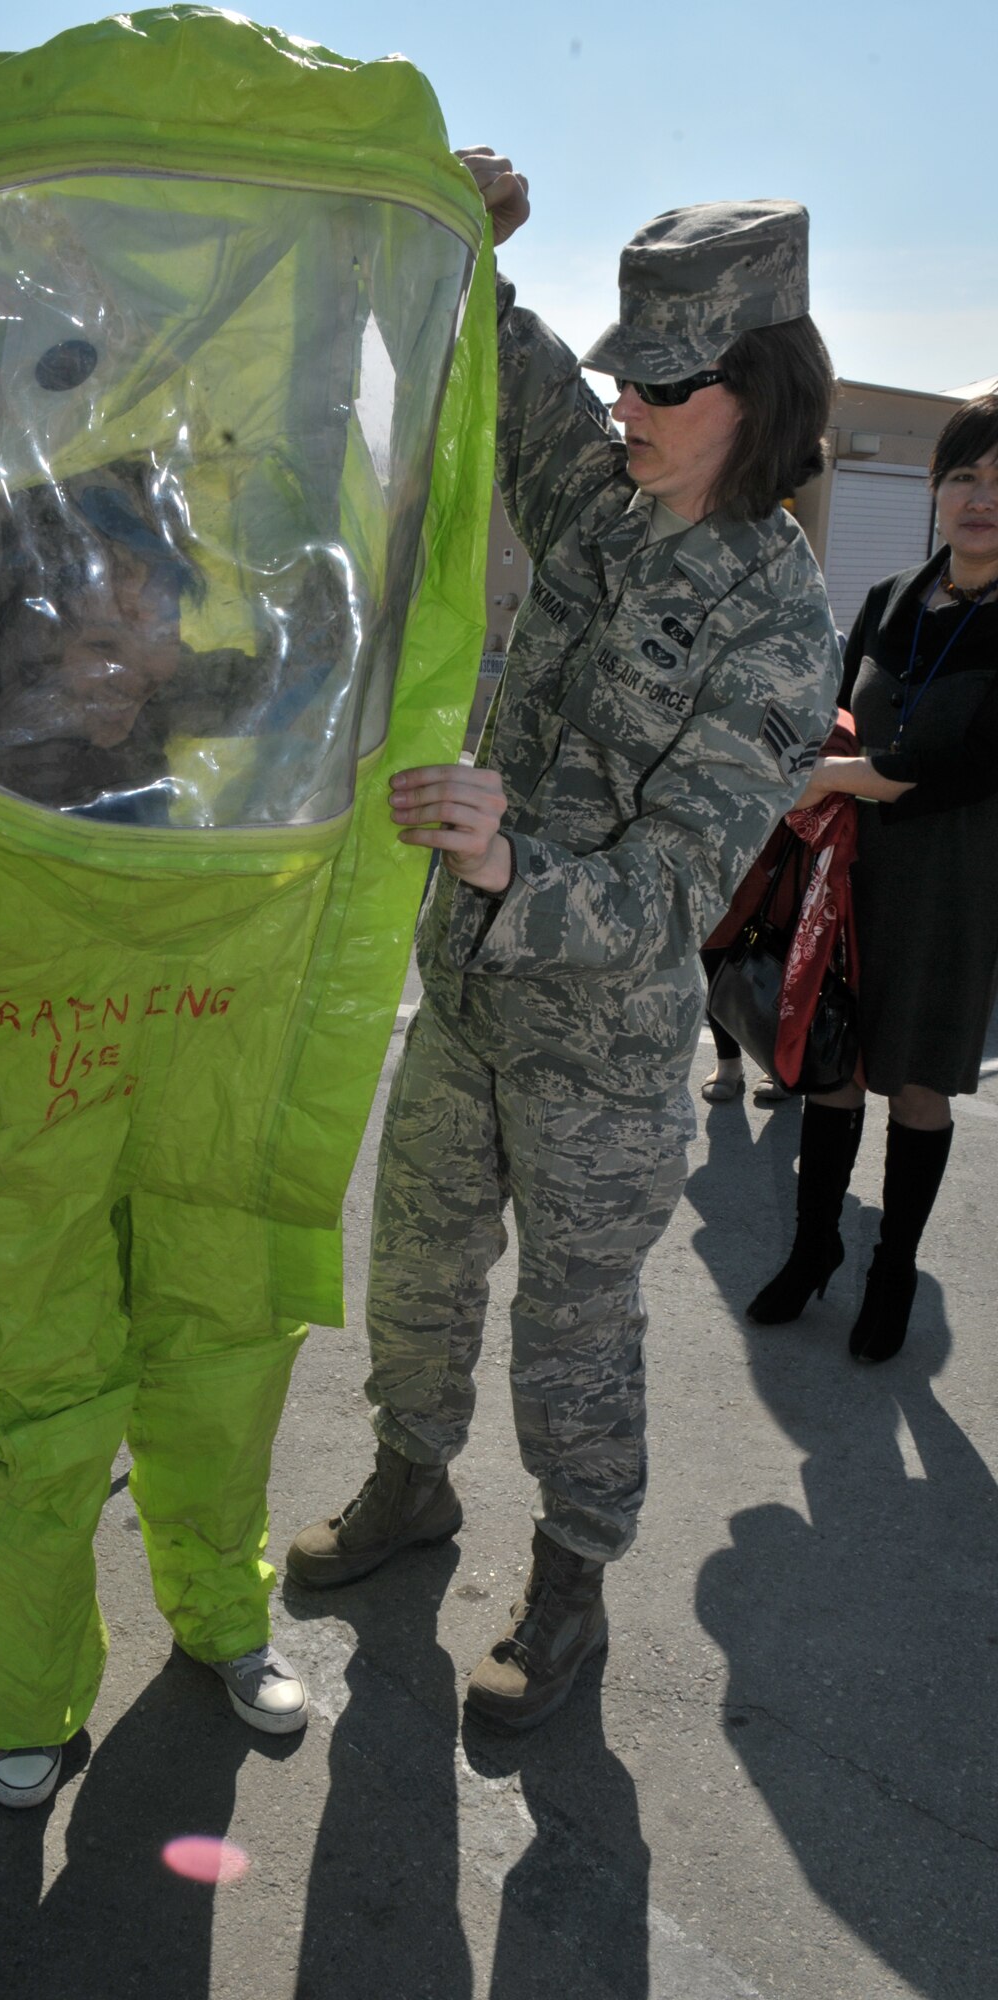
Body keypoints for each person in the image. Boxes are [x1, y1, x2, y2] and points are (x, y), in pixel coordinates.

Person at [0, 12, 497, 1808]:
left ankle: (222, 1616)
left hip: (194, 1061)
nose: (130, 653)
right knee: (42, 1422)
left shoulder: (222, 710)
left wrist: (399, 296)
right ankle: (26, 1702)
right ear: (8, 613)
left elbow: (347, 576)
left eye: (154, 616)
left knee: (217, 1355)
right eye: (93, 618)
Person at [288, 157, 843, 1731]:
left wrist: (510, 863)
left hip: (598, 1060)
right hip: (467, 1007)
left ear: (763, 391)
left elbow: (678, 888)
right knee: (417, 1275)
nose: (631, 406)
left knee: (576, 1337)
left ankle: (575, 1584)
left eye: (667, 384)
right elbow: (504, 359)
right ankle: (411, 1485)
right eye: (628, 374)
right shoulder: (600, 491)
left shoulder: (778, 627)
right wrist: (467, 238)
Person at [748, 391, 998, 1361]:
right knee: (832, 1069)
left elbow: (951, 769)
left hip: (951, 886)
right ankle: (813, 1247)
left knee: (918, 1084)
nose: (981, 498)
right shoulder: (890, 598)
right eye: (965, 476)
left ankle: (889, 1271)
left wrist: (819, 778)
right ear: (935, 488)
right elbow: (834, 712)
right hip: (849, 876)